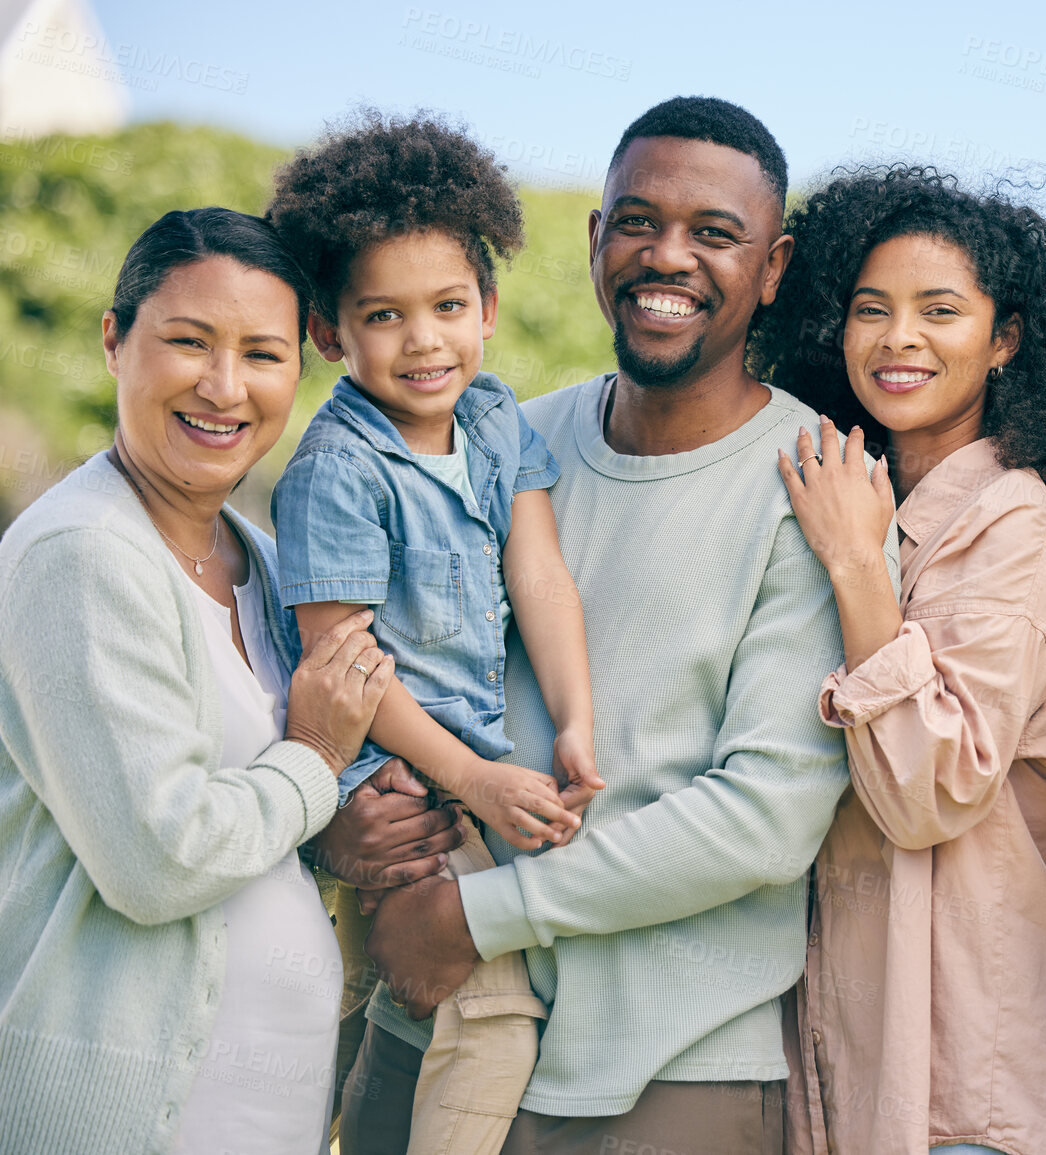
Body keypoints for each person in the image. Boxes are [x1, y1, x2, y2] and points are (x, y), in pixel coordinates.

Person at [339, 96, 888, 1155]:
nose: (667, 256)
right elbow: (379, 676)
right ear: (596, 240)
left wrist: (476, 917)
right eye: (637, 221)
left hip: (666, 1074)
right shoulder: (497, 441)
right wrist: (348, 826)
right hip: (434, 1018)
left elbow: (765, 817)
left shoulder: (816, 485)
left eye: (714, 234)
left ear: (772, 267)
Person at [754, 165, 1046, 1155]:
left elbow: (931, 789)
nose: (900, 340)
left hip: (982, 1071)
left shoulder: (1023, 525)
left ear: (1004, 337)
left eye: (940, 310)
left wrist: (855, 565)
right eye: (870, 310)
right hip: (849, 1047)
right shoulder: (849, 494)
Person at [0, 207, 396, 1153]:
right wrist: (317, 758)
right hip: (123, 1117)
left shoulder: (261, 558)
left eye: (262, 354)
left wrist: (345, 827)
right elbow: (157, 856)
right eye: (188, 342)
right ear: (114, 339)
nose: (225, 387)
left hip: (267, 1110)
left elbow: (263, 823)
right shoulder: (83, 553)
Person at [266, 111, 603, 1155]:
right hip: (395, 779)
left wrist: (578, 719)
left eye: (448, 306)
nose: (424, 341)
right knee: (488, 1015)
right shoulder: (337, 470)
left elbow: (537, 572)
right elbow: (348, 672)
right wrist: (475, 780)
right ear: (330, 331)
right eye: (385, 315)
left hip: (476, 766)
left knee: (409, 1011)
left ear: (488, 308)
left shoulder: (497, 420)